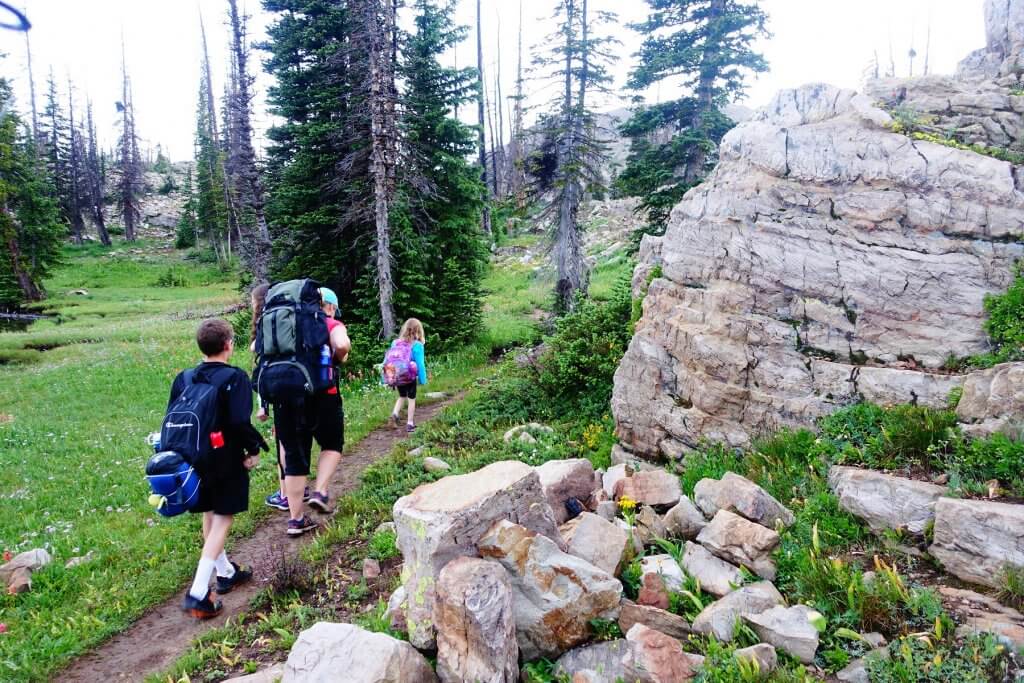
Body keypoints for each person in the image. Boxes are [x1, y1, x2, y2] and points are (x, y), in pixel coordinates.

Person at [173, 318, 267, 619]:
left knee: (209, 512)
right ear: (229, 344)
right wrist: (253, 449)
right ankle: (198, 591)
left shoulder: (184, 378)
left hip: (190, 457)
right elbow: (239, 421)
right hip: (223, 456)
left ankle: (225, 571)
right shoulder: (235, 377)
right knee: (224, 516)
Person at [272, 287, 351, 535]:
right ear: (327, 305)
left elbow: (255, 347)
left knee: (294, 457)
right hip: (322, 396)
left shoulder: (283, 324)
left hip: (285, 399)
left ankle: (296, 520)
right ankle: (320, 491)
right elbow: (342, 344)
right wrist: (339, 355)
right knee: (332, 444)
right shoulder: (328, 323)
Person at [388, 318, 428, 433]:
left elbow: (390, 360)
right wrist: (422, 379)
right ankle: (410, 424)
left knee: (402, 396)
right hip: (409, 376)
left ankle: (394, 414)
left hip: (397, 375)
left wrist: (391, 378)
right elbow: (420, 365)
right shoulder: (417, 345)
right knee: (411, 399)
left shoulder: (395, 342)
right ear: (418, 331)